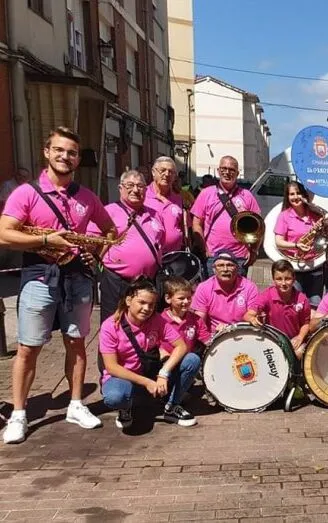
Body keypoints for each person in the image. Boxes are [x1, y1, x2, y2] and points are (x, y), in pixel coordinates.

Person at [0, 127, 117, 444]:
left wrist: (97, 253)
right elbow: (4, 234)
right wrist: (45, 239)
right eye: (60, 150)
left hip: (77, 276)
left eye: (73, 152)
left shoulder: (87, 196)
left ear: (78, 158)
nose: (66, 156)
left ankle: (76, 404)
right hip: (39, 274)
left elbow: (109, 229)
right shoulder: (26, 193)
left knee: (77, 343)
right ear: (47, 152)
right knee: (28, 348)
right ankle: (19, 415)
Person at [100, 278, 201, 430]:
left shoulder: (157, 320)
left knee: (192, 359)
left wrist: (164, 373)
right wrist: (146, 383)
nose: (147, 308)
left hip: (151, 372)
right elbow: (111, 366)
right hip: (124, 377)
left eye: (151, 304)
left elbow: (181, 346)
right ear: (128, 300)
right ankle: (125, 407)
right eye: (142, 302)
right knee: (115, 397)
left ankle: (171, 406)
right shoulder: (110, 326)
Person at [90, 169, 164, 326]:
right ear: (120, 188)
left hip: (147, 282)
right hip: (117, 281)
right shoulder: (108, 211)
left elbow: (160, 242)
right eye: (130, 185)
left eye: (140, 186)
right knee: (113, 325)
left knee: (145, 326)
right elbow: (91, 241)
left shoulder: (155, 214)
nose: (135, 190)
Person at [190, 156, 260, 277]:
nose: (227, 172)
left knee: (237, 294)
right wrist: (203, 249)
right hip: (213, 256)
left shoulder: (247, 196)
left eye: (231, 169)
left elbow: (258, 228)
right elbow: (196, 224)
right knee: (213, 294)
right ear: (218, 171)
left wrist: (254, 251)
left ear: (237, 173)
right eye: (224, 168)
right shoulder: (206, 193)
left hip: (239, 257)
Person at [273, 181, 326, 308]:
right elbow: (278, 242)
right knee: (296, 305)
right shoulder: (284, 216)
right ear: (287, 197)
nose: (295, 197)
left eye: (298, 193)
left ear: (304, 195)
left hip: (315, 266)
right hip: (294, 267)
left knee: (315, 305)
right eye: (292, 194)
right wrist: (297, 246)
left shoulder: (316, 215)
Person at [244, 259, 312, 358]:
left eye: (287, 278)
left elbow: (305, 324)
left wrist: (300, 337)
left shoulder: (302, 299)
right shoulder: (267, 295)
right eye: (279, 279)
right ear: (273, 279)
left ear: (294, 278)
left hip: (293, 339)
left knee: (299, 352)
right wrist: (253, 319)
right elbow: (247, 315)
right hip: (272, 339)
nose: (283, 283)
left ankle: (296, 373)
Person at [191, 250, 260, 336]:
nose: (225, 269)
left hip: (242, 333)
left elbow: (251, 313)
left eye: (230, 265)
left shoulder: (250, 287)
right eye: (220, 265)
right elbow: (200, 321)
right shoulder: (203, 288)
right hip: (215, 335)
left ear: (237, 268)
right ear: (214, 269)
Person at [145, 156, 186, 254]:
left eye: (171, 172)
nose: (167, 174)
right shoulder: (142, 195)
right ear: (153, 172)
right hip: (150, 255)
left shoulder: (178, 198)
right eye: (162, 170)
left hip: (175, 255)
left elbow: (182, 225)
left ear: (174, 177)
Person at [160, 277, 209, 355]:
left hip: (188, 359)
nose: (186, 301)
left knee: (192, 359)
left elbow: (207, 340)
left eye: (189, 298)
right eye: (181, 298)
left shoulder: (196, 319)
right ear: (168, 298)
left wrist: (218, 335)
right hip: (168, 359)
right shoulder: (160, 321)